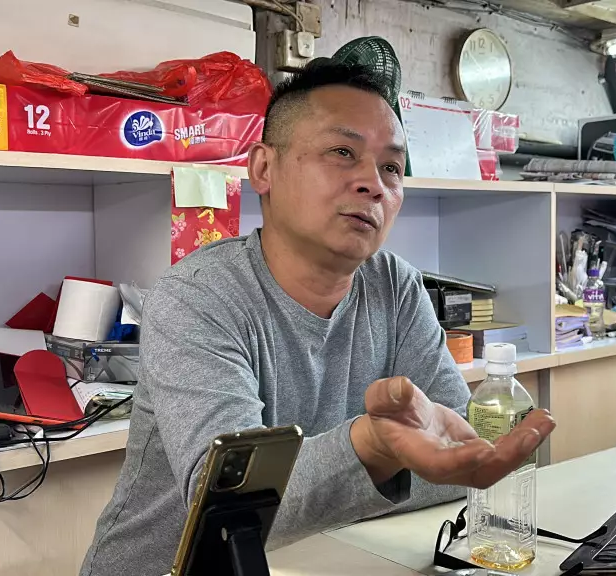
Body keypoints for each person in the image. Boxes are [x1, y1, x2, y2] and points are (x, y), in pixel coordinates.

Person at [80, 61, 556, 576]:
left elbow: (454, 457)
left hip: (328, 557)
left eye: (392, 168)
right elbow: (231, 512)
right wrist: (374, 448)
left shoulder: (395, 287)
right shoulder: (197, 298)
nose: (374, 185)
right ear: (264, 168)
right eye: (342, 152)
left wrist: (401, 461)